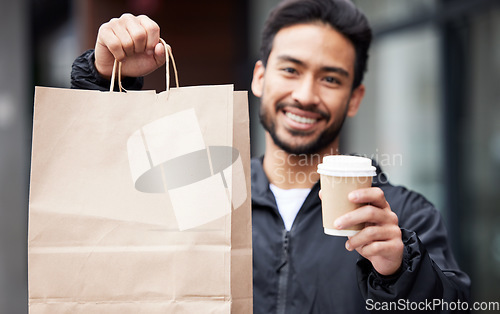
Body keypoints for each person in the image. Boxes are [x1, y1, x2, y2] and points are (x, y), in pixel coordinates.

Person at [71, 0, 471, 312]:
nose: (306, 95)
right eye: (291, 70)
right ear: (260, 77)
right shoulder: (201, 195)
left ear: (355, 99)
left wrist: (402, 271)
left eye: (330, 78)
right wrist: (107, 79)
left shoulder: (403, 218)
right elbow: (108, 204)